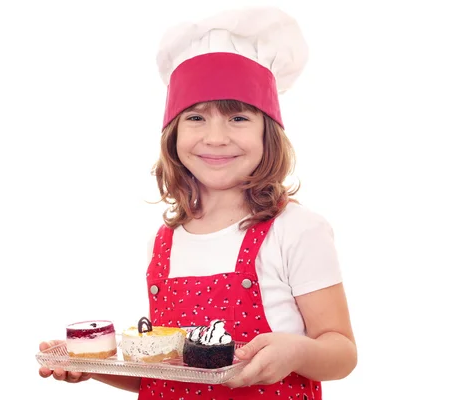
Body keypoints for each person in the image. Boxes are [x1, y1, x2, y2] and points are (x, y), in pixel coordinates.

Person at [38, 6, 357, 399]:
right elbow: (169, 375)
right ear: (172, 134)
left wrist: (296, 352)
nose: (216, 137)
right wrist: (89, 365)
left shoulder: (296, 229)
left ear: (268, 133)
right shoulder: (167, 239)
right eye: (196, 118)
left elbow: (342, 351)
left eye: (238, 118)